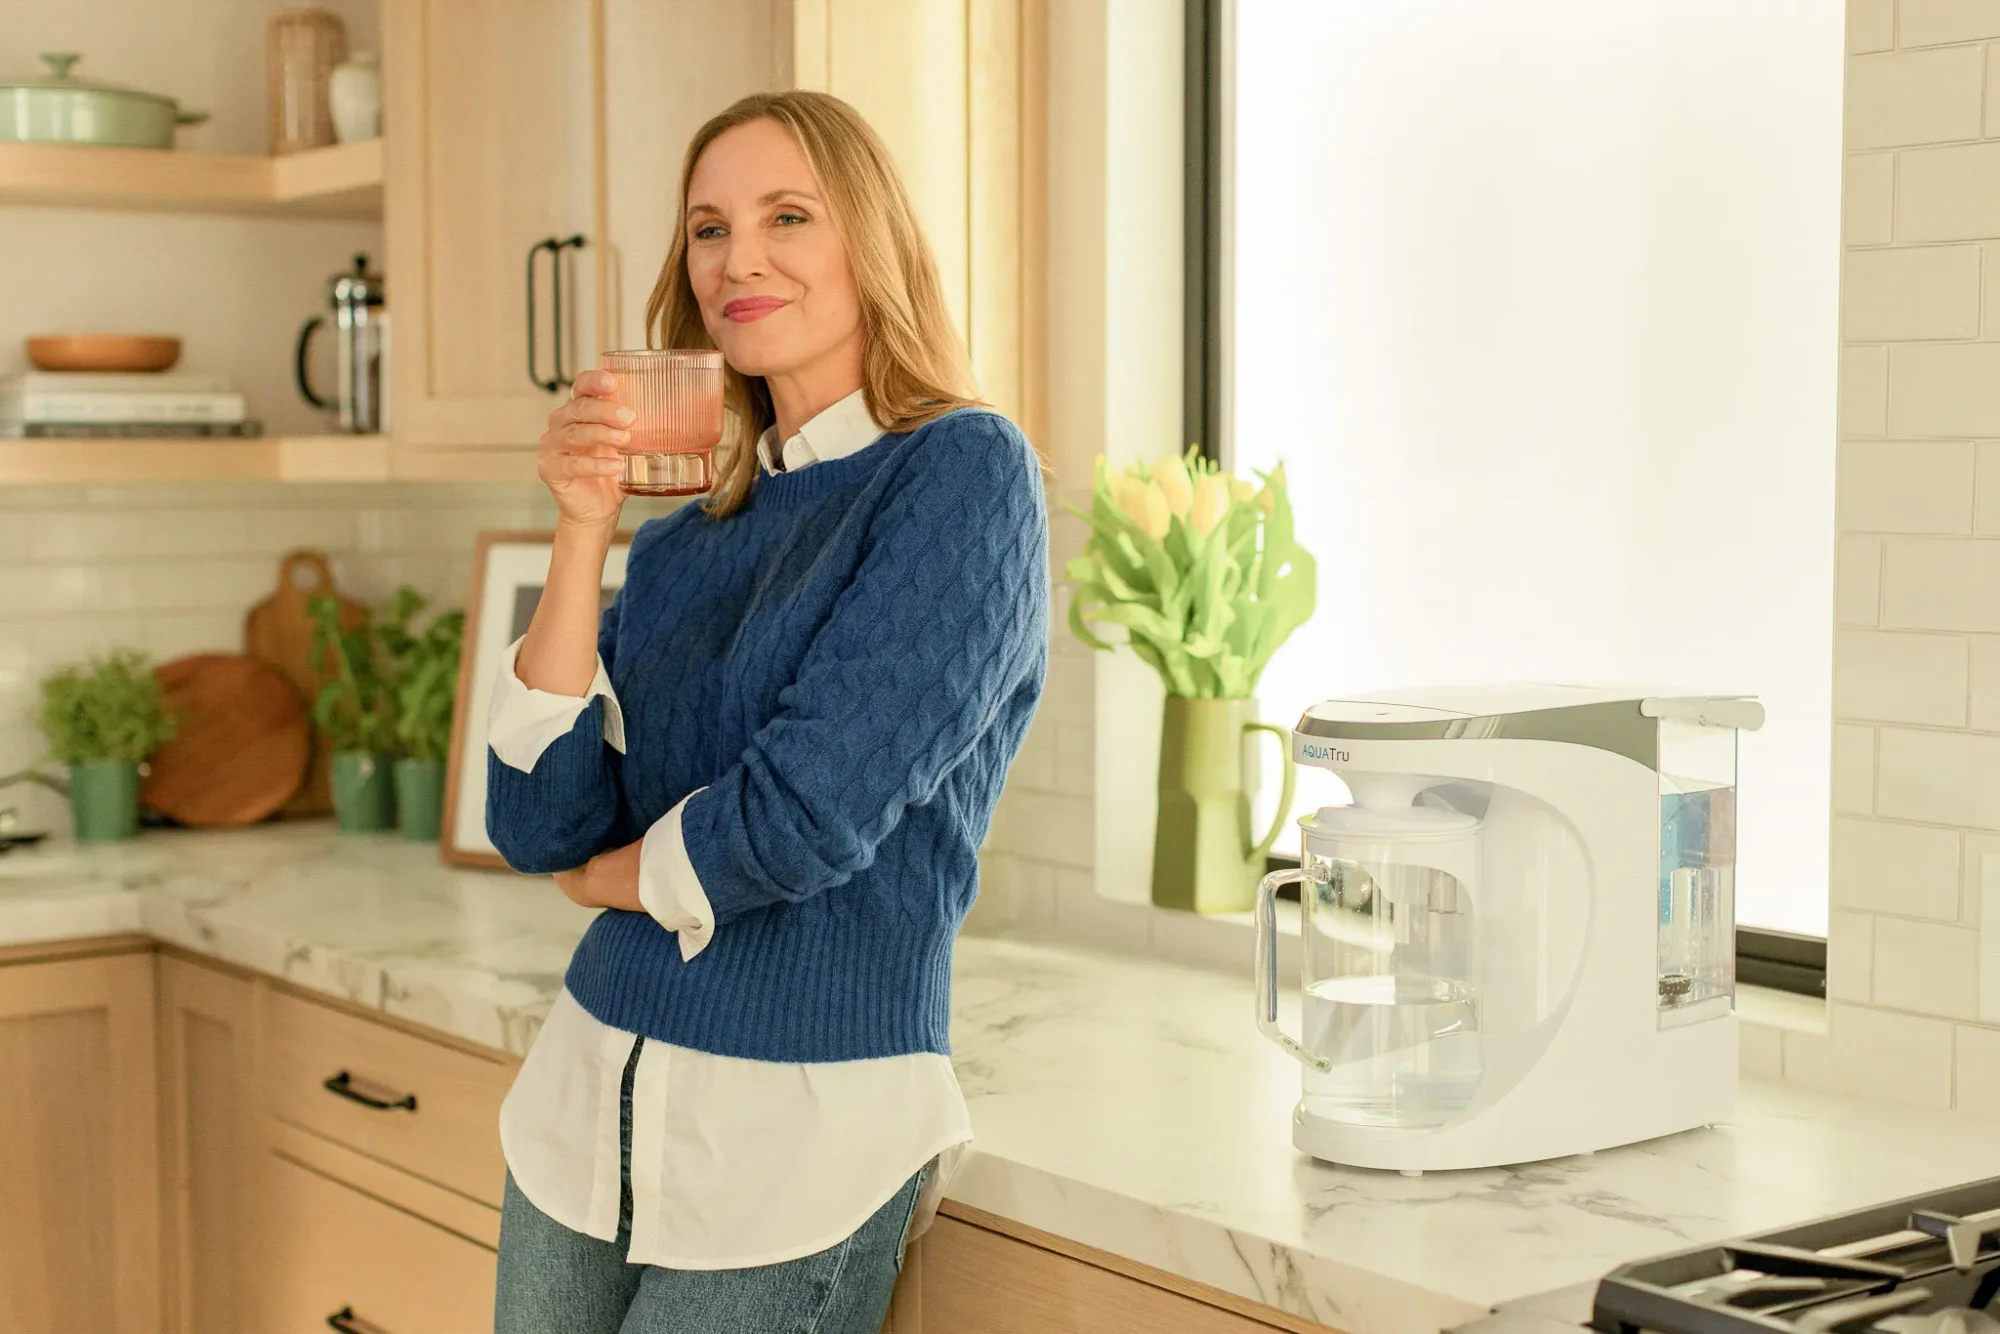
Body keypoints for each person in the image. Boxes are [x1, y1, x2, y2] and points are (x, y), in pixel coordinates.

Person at [481, 89, 1049, 1333]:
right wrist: (581, 530)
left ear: (871, 241)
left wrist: (609, 880)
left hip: (801, 1134)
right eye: (708, 228)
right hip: (587, 1101)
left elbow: (806, 809)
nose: (737, 259)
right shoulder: (687, 538)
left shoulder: (961, 471)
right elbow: (538, 818)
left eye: (786, 215)